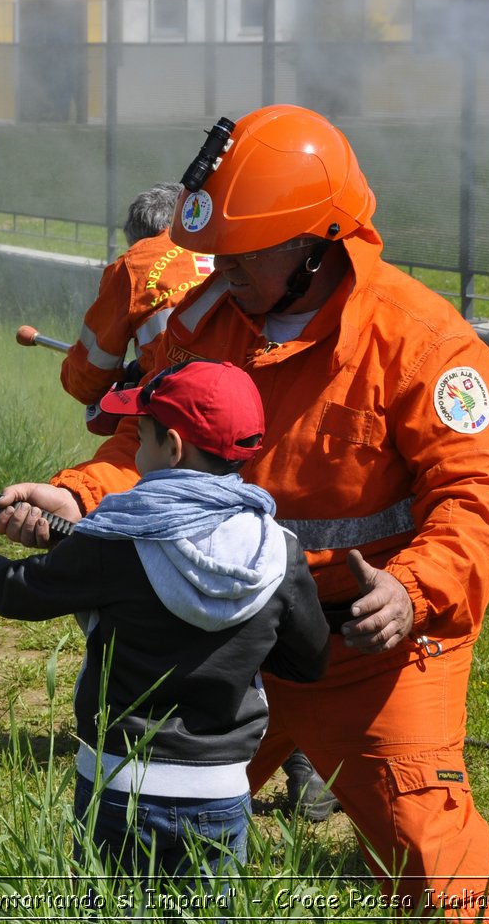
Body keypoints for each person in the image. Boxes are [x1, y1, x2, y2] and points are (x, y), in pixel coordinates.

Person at [0, 104, 489, 920]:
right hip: (215, 631)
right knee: (134, 840)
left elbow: (481, 492)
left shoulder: (422, 342)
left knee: (434, 858)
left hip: (369, 645)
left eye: (240, 256)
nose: (219, 271)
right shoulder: (205, 321)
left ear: (313, 243)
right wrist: (78, 494)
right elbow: (147, 442)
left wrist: (412, 588)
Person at [0, 360, 329, 887]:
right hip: (221, 792)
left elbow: (20, 591)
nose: (133, 450)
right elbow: (307, 661)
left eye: (140, 436)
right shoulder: (278, 551)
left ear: (172, 447)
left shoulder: (116, 537)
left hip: (118, 784)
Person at [61, 179, 340, 820]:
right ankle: (305, 768)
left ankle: (168, 732)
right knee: (264, 607)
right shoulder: (239, 253)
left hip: (180, 446)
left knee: (178, 591)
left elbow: (85, 374)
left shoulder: (138, 264)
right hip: (254, 450)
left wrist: (119, 382)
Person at [60, 182, 211, 408]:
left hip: (178, 398)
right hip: (248, 389)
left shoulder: (134, 265)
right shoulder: (221, 245)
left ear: (140, 241)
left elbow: (88, 380)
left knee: (116, 436)